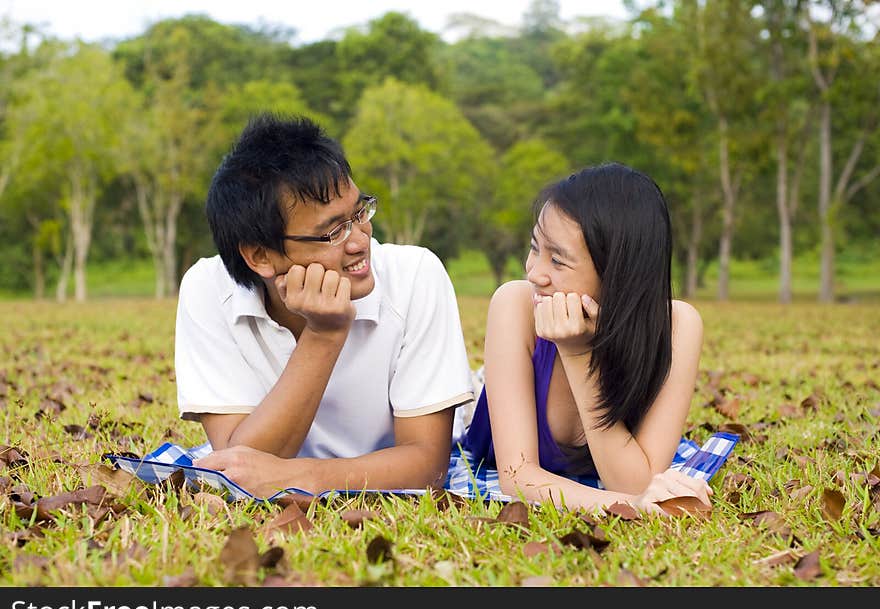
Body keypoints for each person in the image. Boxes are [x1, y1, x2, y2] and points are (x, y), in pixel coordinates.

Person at [174, 113, 474, 498]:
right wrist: (323, 335)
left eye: (359, 213)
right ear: (261, 256)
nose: (359, 241)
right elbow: (239, 465)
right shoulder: (208, 289)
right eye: (332, 232)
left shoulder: (415, 275)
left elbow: (428, 466)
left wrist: (304, 477)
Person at [452, 162, 718, 514]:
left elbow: (634, 481)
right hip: (478, 407)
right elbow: (517, 476)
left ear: (618, 274)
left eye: (557, 261)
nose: (534, 272)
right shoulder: (515, 304)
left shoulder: (677, 327)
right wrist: (628, 505)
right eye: (535, 248)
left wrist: (579, 355)